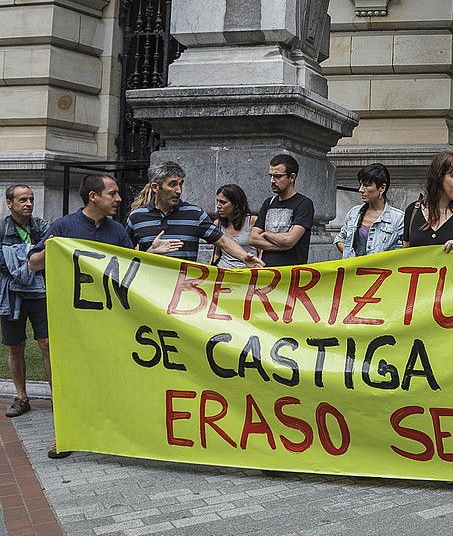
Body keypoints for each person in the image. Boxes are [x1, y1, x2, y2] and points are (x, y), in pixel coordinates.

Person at [28, 174, 177, 457]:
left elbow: (129, 266)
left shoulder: (118, 230)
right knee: (72, 376)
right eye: (113, 193)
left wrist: (149, 253)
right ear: (93, 197)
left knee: (110, 375)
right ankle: (66, 436)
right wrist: (51, 248)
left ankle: (114, 432)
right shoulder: (63, 227)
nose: (118, 199)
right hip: (73, 321)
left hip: (109, 321)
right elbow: (34, 264)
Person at [126, 162, 261, 266]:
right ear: (155, 187)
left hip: (184, 293)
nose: (178, 190)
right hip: (147, 295)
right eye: (172, 184)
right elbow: (122, 257)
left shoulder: (194, 214)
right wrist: (149, 253)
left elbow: (223, 241)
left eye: (181, 184)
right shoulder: (136, 217)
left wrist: (244, 256)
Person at [1, 185, 49, 419]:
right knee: (15, 346)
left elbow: (54, 251)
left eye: (31, 199)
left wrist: (19, 258)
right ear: (9, 203)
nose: (28, 203)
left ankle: (57, 397)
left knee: (47, 344)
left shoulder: (42, 226)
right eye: (22, 200)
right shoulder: (1, 228)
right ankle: (21, 397)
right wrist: (29, 259)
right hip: (10, 295)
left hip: (40, 293)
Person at [250, 154, 316, 267]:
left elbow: (289, 240)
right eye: (270, 176)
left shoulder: (304, 204)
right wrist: (284, 244)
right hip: (267, 271)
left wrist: (266, 234)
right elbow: (253, 238)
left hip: (291, 274)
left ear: (292, 177)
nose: (272, 181)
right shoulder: (268, 202)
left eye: (278, 176)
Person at [334, 163, 405, 258]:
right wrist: (351, 256)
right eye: (361, 185)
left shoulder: (398, 218)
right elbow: (340, 239)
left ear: (382, 188)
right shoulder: (354, 213)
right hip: (354, 271)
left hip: (381, 271)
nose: (361, 190)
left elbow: (408, 249)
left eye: (367, 185)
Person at [212, 184, 258, 269]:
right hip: (223, 271)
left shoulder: (252, 221)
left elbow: (260, 251)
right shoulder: (218, 223)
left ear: (236, 204)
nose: (218, 206)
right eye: (217, 201)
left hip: (247, 272)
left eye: (223, 202)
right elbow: (216, 253)